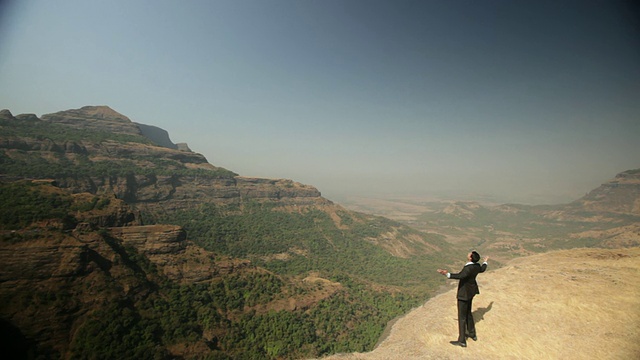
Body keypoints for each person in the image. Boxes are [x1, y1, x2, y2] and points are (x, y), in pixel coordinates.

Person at [437, 251, 488, 348]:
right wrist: (485, 262)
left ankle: (462, 340)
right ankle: (472, 334)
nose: (469, 253)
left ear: (470, 258)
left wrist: (447, 274)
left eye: (470, 253)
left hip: (464, 294)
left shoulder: (468, 268)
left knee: (462, 317)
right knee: (468, 313)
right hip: (471, 292)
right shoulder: (476, 266)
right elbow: (482, 269)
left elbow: (460, 276)